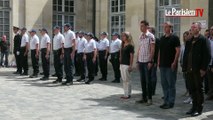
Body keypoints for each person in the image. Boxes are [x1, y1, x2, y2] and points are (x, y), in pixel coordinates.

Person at [183, 22, 211, 117]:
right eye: (191, 27)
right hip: (189, 69)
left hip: (198, 69)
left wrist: (203, 69)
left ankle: (199, 109)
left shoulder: (203, 40)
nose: (192, 28)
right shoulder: (189, 40)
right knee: (192, 89)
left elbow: (207, 56)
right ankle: (193, 107)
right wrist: (184, 67)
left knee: (199, 89)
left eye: (194, 27)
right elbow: (186, 55)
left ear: (199, 29)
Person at [158, 21, 180, 109]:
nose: (165, 28)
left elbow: (178, 51)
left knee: (171, 84)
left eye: (166, 27)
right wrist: (158, 61)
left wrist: (174, 62)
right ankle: (165, 101)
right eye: (164, 27)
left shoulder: (175, 38)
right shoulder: (162, 38)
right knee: (164, 84)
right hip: (162, 65)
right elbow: (160, 51)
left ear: (170, 28)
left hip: (170, 65)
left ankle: (171, 102)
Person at [136, 20, 155, 106]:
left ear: (147, 26)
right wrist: (137, 60)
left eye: (143, 26)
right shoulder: (141, 36)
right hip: (141, 61)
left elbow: (152, 49)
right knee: (142, 80)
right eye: (140, 26)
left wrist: (150, 61)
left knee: (148, 81)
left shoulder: (151, 36)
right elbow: (139, 49)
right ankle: (144, 97)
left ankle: (149, 98)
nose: (141, 27)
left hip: (147, 61)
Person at [120, 31, 134, 99]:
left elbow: (131, 56)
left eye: (124, 36)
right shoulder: (122, 44)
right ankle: (125, 93)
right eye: (122, 36)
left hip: (127, 64)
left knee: (127, 79)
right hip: (122, 63)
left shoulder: (130, 46)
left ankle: (128, 93)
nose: (122, 37)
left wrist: (131, 65)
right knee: (123, 79)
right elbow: (121, 53)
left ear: (127, 37)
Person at [180, 31, 192, 104]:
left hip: (190, 66)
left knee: (192, 83)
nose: (185, 37)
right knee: (187, 80)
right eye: (184, 36)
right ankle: (190, 95)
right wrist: (181, 62)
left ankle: (193, 97)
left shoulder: (191, 43)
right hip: (184, 64)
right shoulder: (183, 44)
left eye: (186, 36)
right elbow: (182, 54)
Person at [148, 27, 160, 96]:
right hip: (146, 60)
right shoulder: (146, 39)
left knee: (153, 76)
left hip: (153, 60)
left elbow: (157, 51)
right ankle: (148, 89)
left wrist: (156, 61)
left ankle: (152, 91)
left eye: (149, 31)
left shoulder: (157, 40)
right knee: (148, 76)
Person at [206, 26, 213, 100]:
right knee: (210, 80)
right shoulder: (208, 40)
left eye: (212, 30)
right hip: (208, 63)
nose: (211, 31)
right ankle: (211, 94)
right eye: (211, 29)